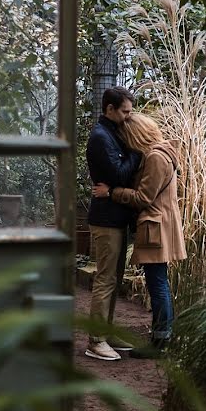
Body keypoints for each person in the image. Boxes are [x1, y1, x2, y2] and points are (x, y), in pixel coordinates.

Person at [92, 112, 186, 357]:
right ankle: (162, 337)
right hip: (160, 224)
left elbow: (144, 197)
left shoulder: (155, 157)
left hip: (155, 226)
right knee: (159, 282)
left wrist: (112, 192)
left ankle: (160, 341)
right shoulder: (162, 152)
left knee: (157, 284)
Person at [85, 86, 142, 361]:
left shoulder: (113, 134)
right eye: (125, 112)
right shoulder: (100, 137)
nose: (129, 117)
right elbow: (118, 174)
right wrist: (136, 153)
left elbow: (118, 179)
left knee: (114, 279)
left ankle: (105, 332)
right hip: (106, 219)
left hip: (116, 216)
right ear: (110, 109)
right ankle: (95, 340)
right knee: (105, 279)